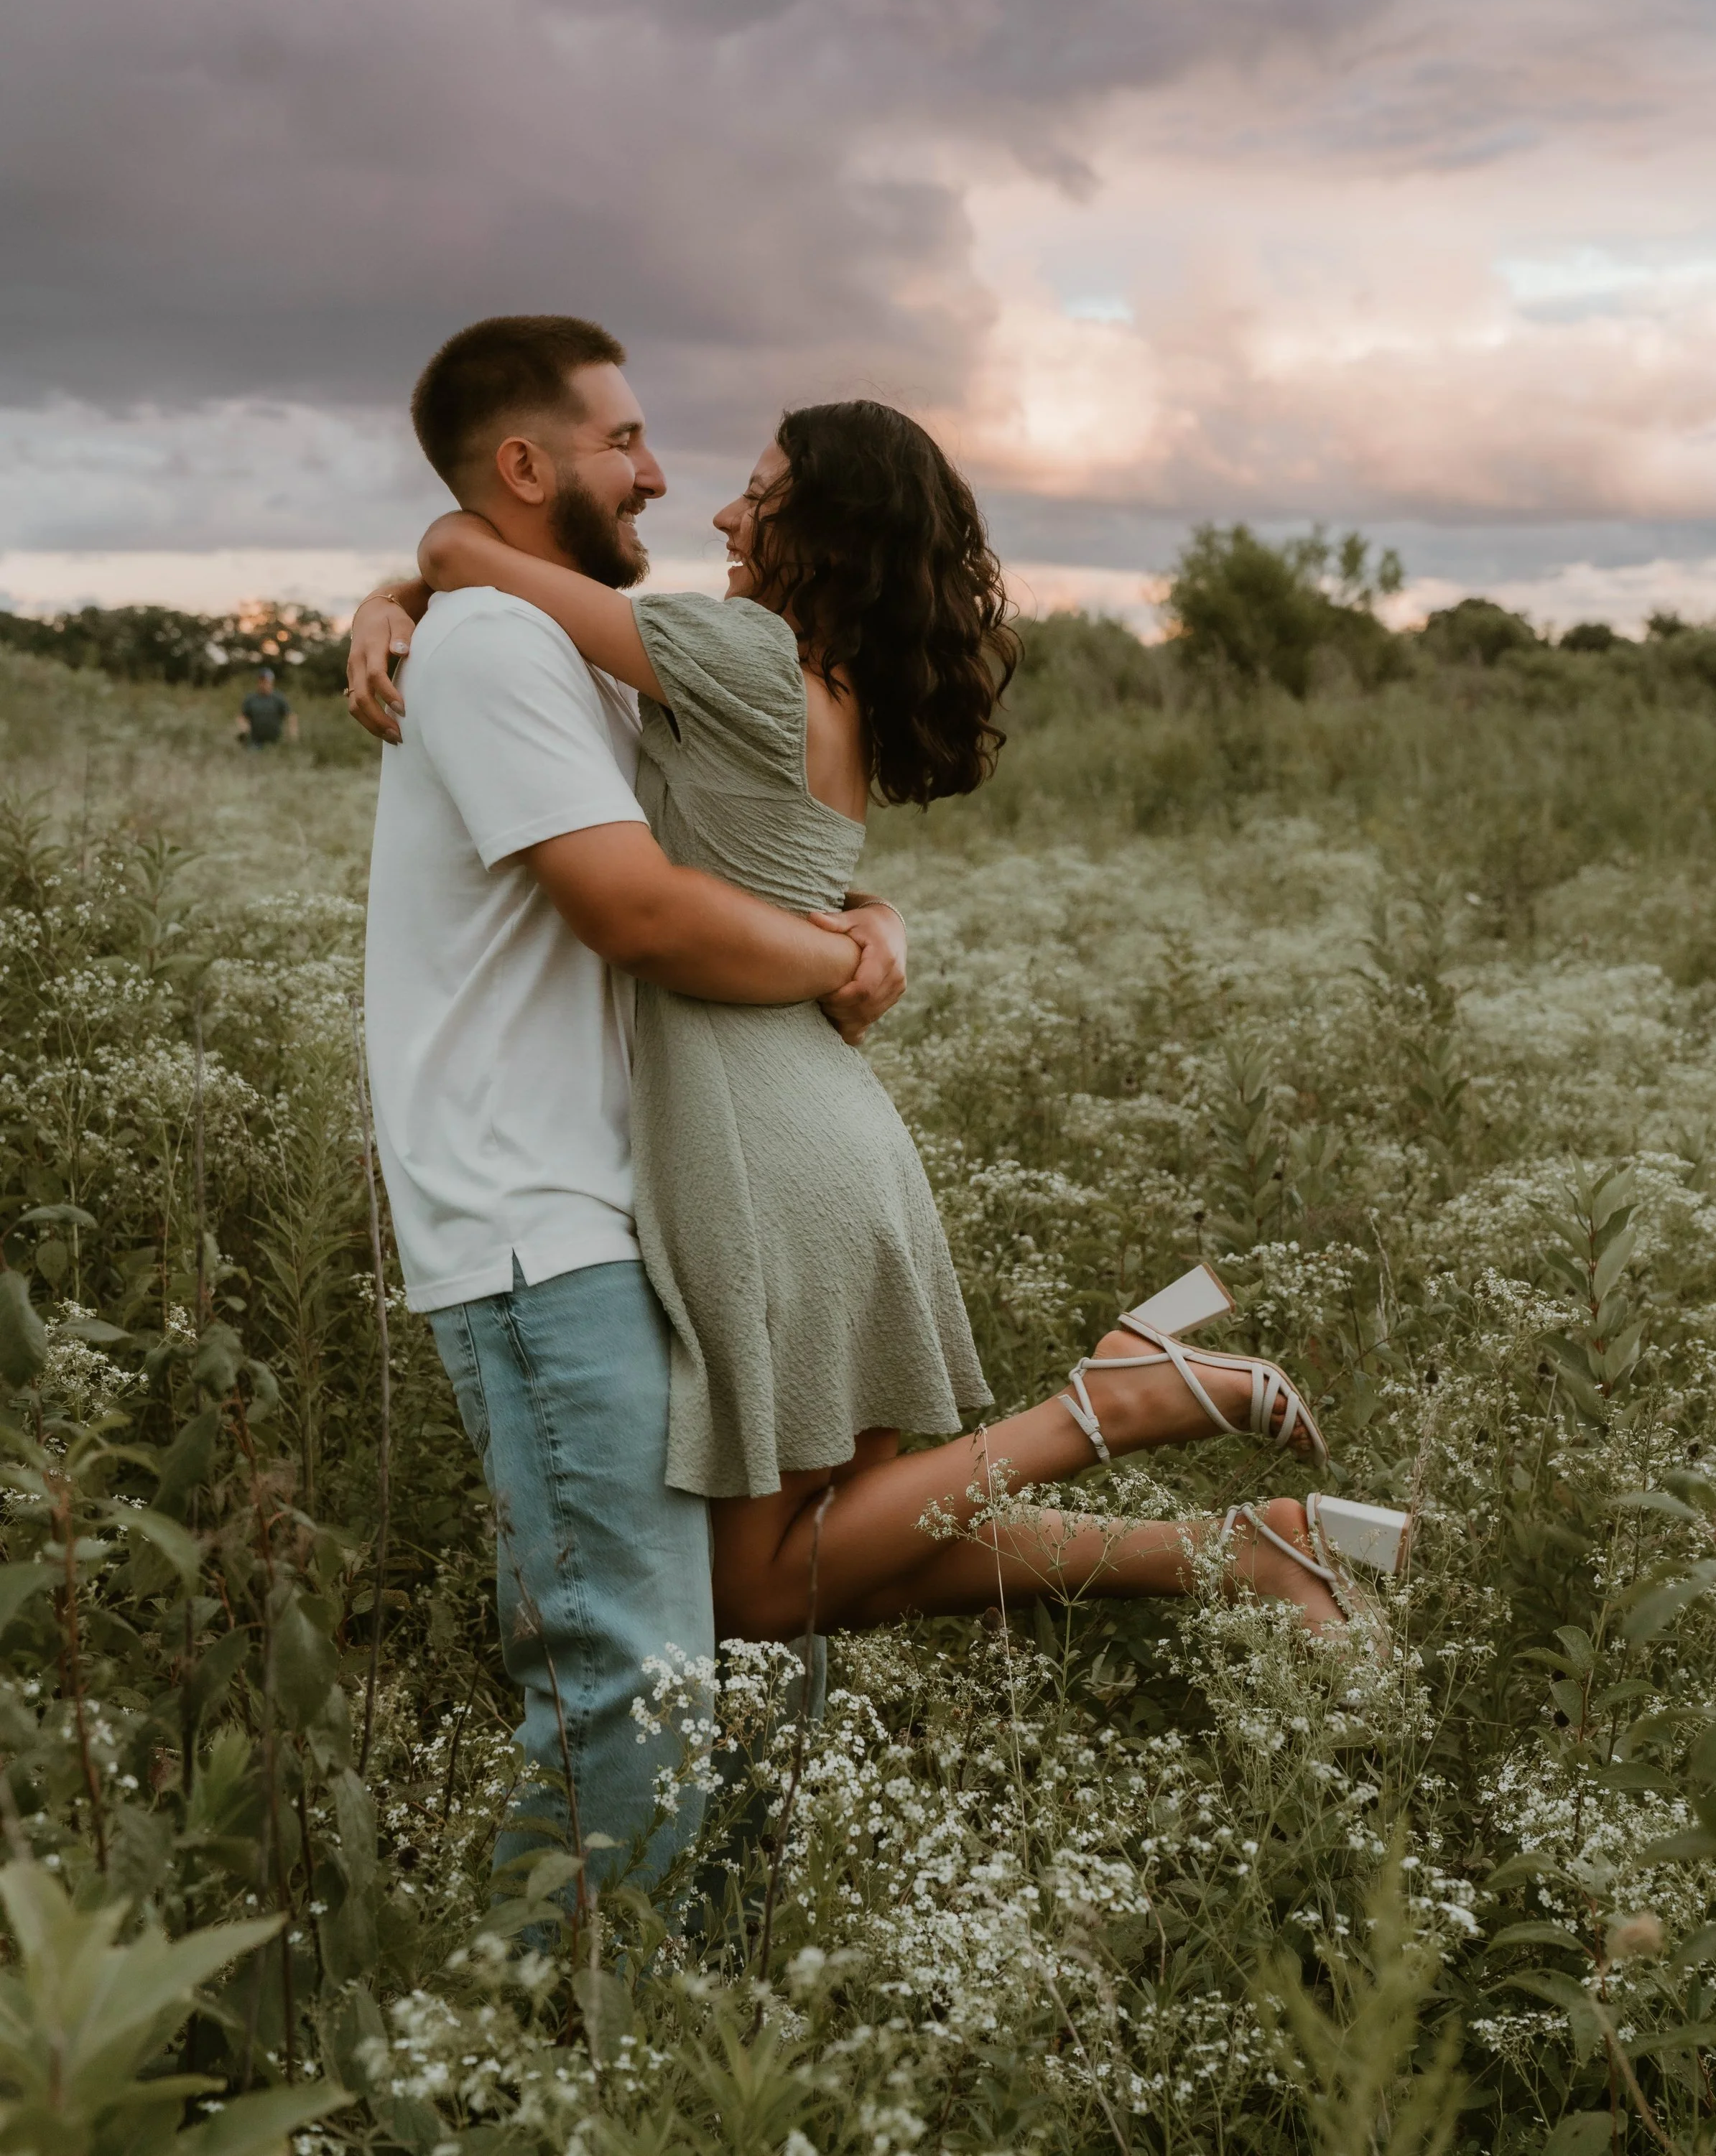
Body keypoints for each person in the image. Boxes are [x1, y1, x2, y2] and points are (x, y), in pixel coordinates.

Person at [350, 332, 1409, 1711]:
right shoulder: (812, 679)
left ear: (822, 527)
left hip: (757, 1142)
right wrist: (401, 592)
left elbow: (481, 561)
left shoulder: (733, 651)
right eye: (651, 453)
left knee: (752, 1588)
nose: (714, 506)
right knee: (847, 1553)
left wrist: (422, 557)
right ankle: (1240, 1549)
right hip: (821, 1129)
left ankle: (1118, 1402)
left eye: (757, 488)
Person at [349, 317, 908, 1894]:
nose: (662, 477)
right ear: (527, 466)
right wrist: (833, 956)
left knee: (742, 1665)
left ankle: (673, 2038)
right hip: (540, 1227)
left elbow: (731, 841)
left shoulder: (551, 633)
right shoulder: (491, 644)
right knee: (636, 1711)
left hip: (651, 1204)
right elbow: (642, 911)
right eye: (624, 443)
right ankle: (504, 2080)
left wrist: (865, 911)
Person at [236, 665, 295, 748]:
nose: (264, 684)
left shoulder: (279, 698)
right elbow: (242, 717)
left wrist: (292, 734)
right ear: (258, 682)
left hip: (275, 742)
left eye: (266, 681)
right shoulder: (251, 699)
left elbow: (290, 716)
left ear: (272, 682)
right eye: (261, 681)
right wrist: (243, 728)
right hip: (255, 742)